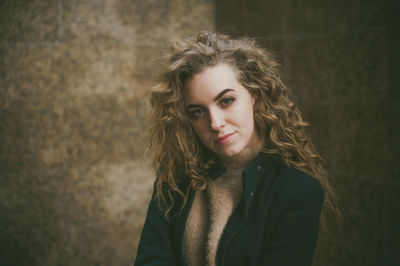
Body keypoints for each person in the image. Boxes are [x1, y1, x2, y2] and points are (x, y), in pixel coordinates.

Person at [134, 31, 339, 266]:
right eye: (198, 111)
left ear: (254, 96)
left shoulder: (297, 192)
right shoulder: (174, 181)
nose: (215, 123)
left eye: (226, 101)